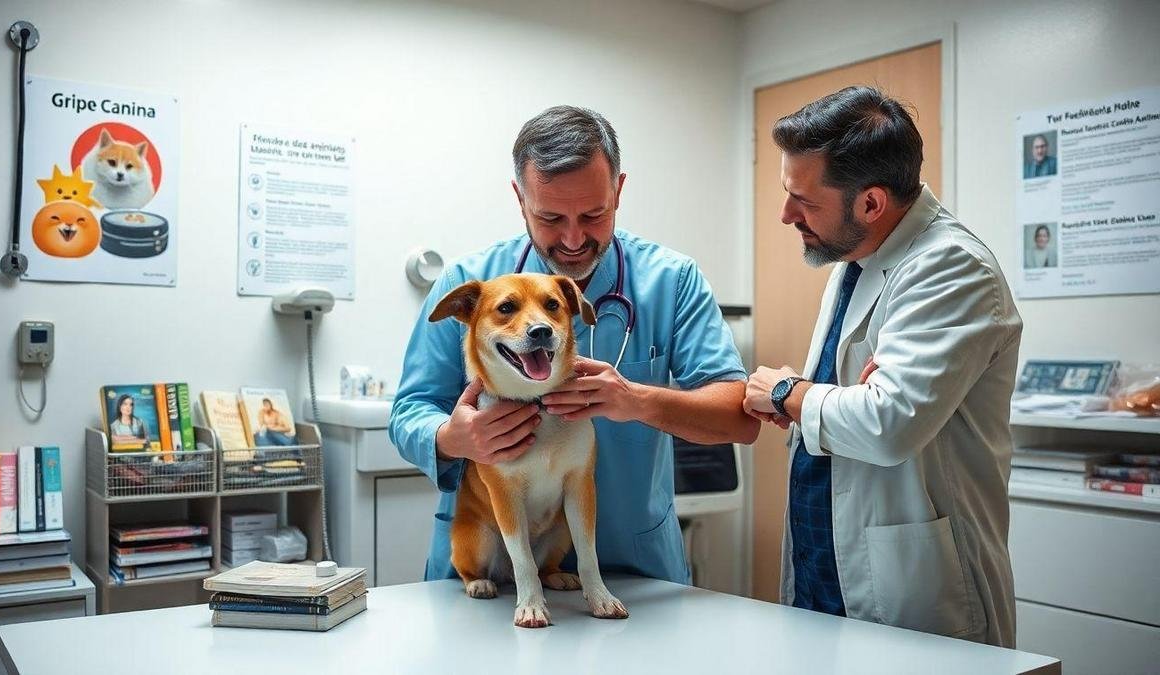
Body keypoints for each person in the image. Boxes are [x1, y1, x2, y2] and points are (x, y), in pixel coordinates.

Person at [391, 105, 760, 584]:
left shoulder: (672, 282)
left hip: (633, 568)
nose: (572, 239)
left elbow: (736, 415)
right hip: (494, 571)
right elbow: (409, 411)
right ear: (519, 199)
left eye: (593, 214)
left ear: (619, 190)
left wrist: (637, 401)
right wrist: (451, 438)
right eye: (549, 217)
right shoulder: (469, 284)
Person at [743, 86, 1022, 647]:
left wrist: (789, 395)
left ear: (870, 203)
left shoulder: (950, 267)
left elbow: (887, 424)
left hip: (913, 585)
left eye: (804, 199)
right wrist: (831, 401)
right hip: (830, 563)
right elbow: (860, 409)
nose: (785, 213)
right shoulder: (857, 256)